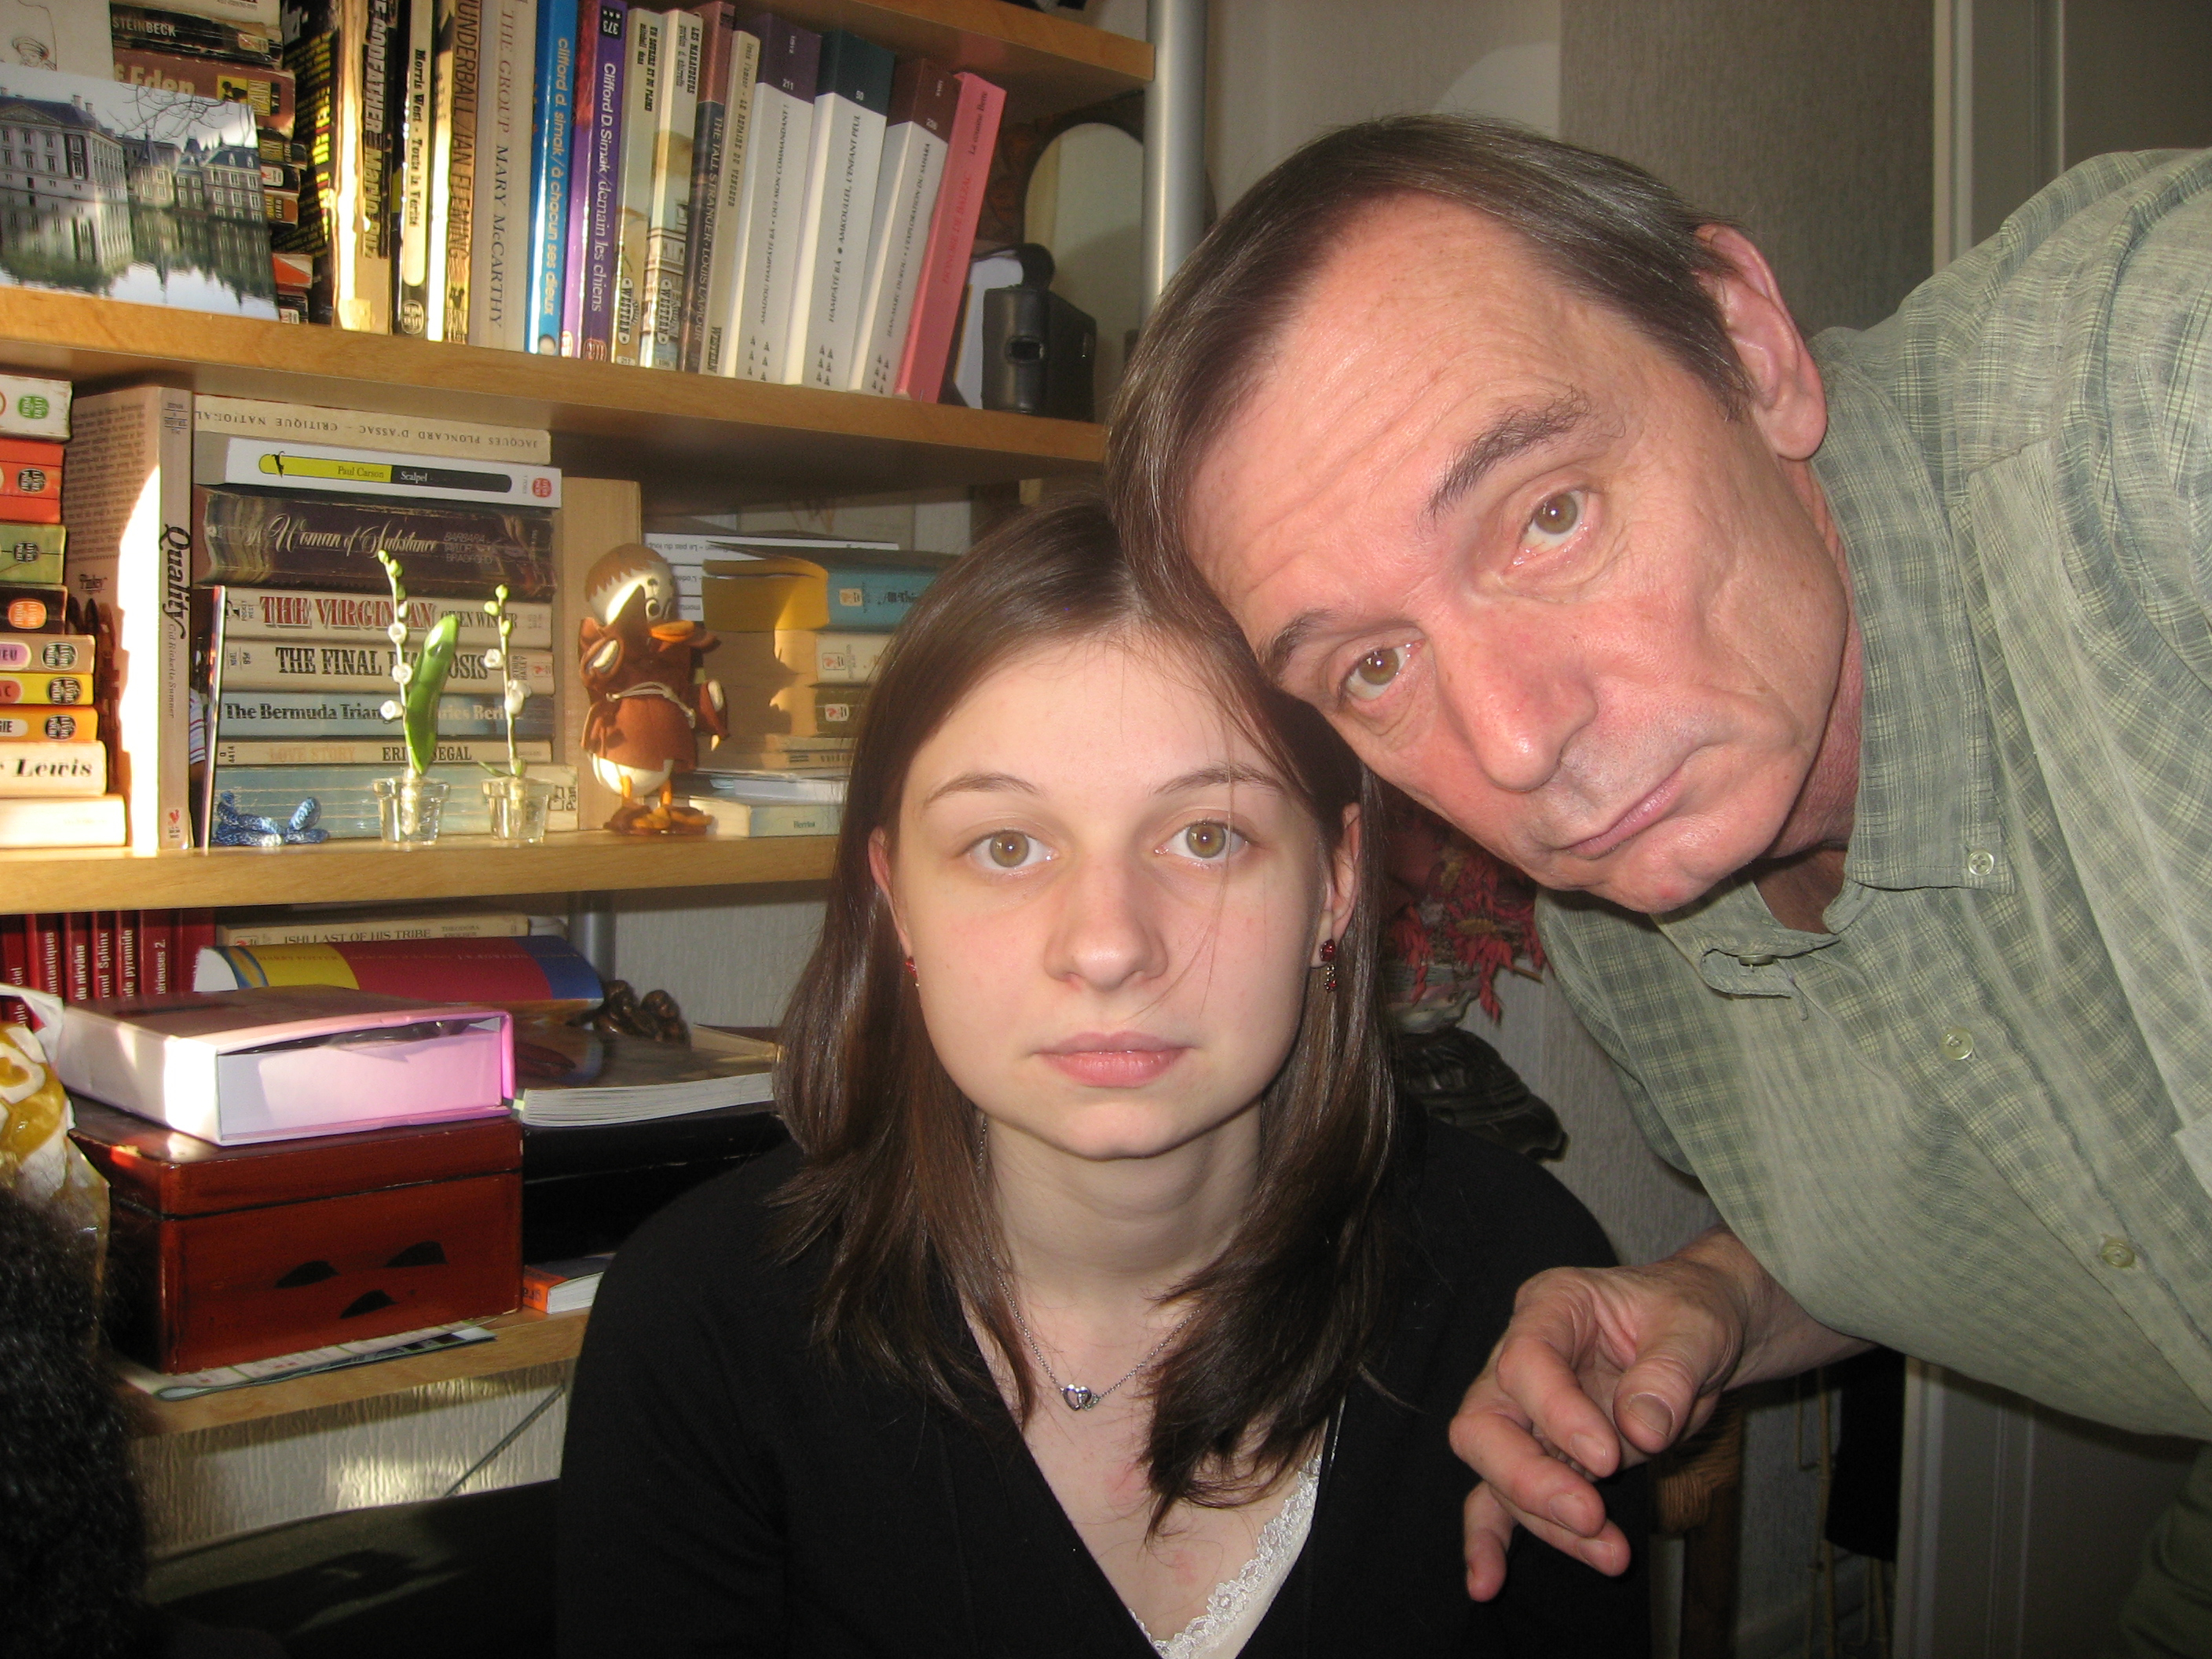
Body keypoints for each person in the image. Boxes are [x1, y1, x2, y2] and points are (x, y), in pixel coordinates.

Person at [1107, 112, 2212, 1648]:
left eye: (1549, 515)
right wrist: (1729, 1299)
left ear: (1748, 348)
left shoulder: (2144, 395)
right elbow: (2077, 1193)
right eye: (1371, 666)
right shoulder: (1624, 935)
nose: (1515, 743)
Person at [556, 494, 1648, 1656]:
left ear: (1335, 886)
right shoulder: (699, 1335)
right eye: (1007, 846)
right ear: (897, 900)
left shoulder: (1523, 1293)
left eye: (1207, 836)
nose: (1109, 945)